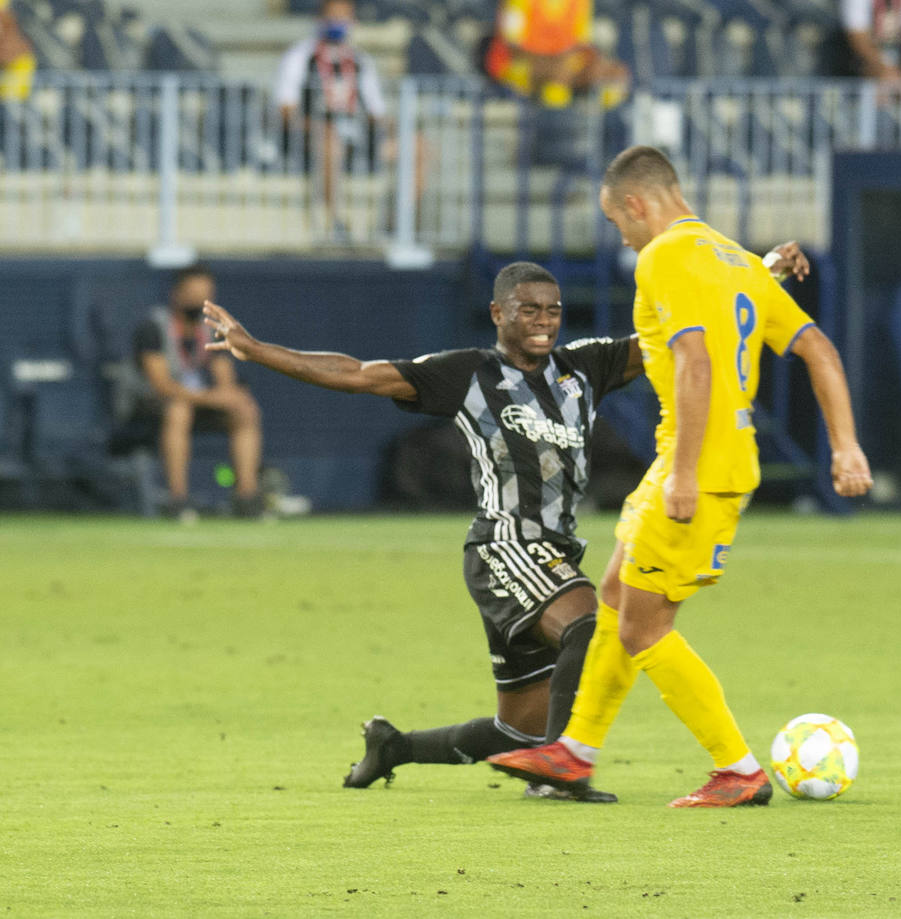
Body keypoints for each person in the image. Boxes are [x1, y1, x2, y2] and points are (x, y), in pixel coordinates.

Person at [202, 250, 811, 799]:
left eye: (552, 310)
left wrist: (757, 273)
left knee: (515, 728)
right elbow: (357, 373)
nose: (544, 321)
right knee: (591, 627)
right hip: (505, 548)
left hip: (555, 555)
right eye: (527, 311)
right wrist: (256, 350)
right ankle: (562, 776)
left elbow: (683, 331)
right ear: (498, 313)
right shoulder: (468, 374)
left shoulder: (585, 369)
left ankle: (396, 746)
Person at [487, 146, 873, 807]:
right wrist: (845, 446)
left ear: (637, 205)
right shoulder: (733, 259)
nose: (623, 235)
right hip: (693, 458)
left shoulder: (664, 255)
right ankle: (574, 751)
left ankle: (739, 769)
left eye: (617, 222)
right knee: (614, 592)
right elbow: (817, 348)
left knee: (643, 626)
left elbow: (695, 362)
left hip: (700, 464)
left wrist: (686, 474)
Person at [132, 265, 264, 521]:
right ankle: (178, 500)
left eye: (206, 296)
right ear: (177, 295)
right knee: (178, 410)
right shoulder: (153, 327)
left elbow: (225, 380)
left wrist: (227, 397)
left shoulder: (214, 331)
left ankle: (246, 497)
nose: (200, 303)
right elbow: (162, 385)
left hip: (198, 403)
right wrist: (210, 397)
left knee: (244, 409)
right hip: (152, 406)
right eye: (193, 295)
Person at [275, 0, 388, 240]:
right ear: (319, 20)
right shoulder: (301, 57)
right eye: (333, 17)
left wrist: (387, 131)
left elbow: (378, 113)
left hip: (354, 136)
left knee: (418, 146)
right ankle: (333, 220)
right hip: (310, 139)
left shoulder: (360, 61)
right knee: (329, 138)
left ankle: (397, 223)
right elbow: (285, 111)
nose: (338, 23)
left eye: (344, 17)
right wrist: (317, 126)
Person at [482, 0, 628, 109]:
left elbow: (581, 44)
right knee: (558, 75)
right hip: (515, 65)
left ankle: (582, 109)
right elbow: (512, 47)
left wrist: (596, 64)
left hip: (563, 66)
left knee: (614, 75)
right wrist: (553, 63)